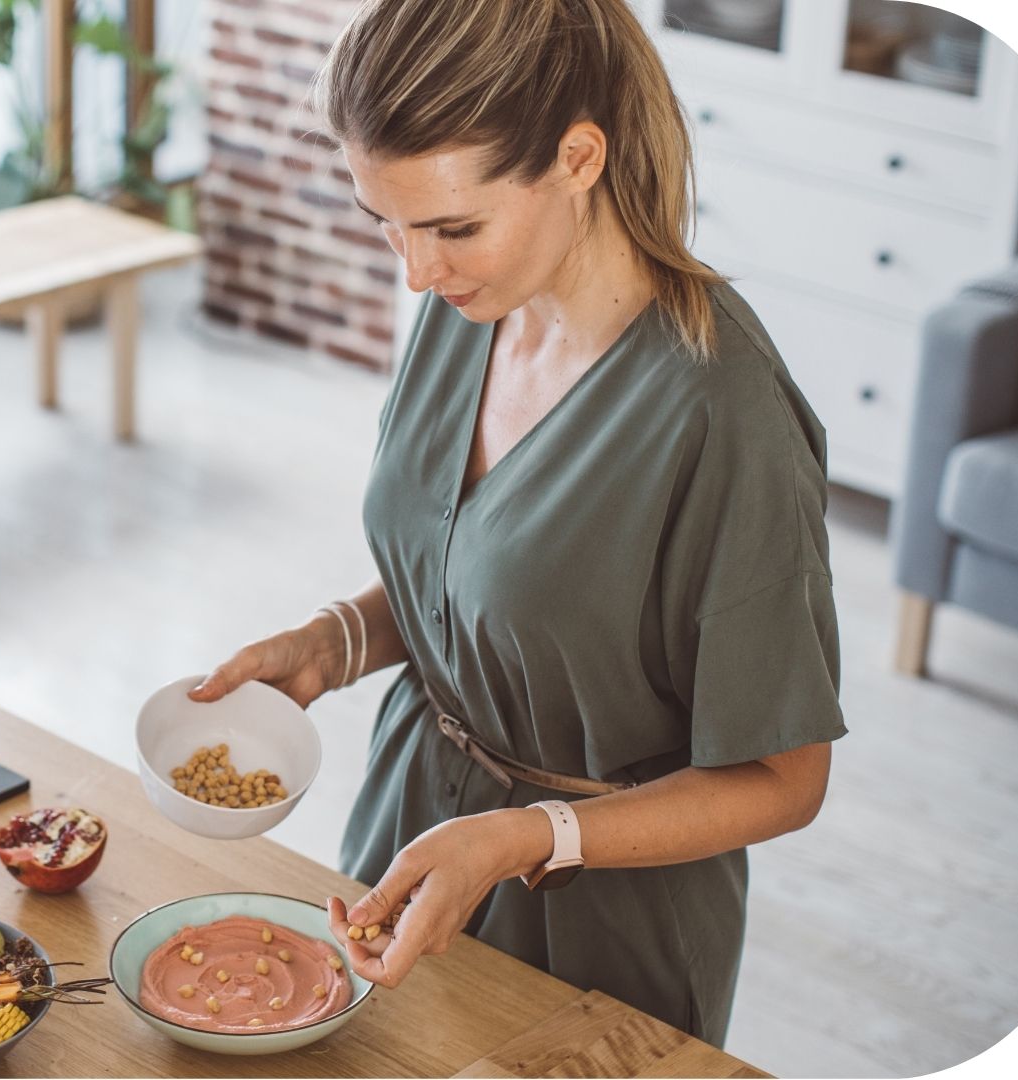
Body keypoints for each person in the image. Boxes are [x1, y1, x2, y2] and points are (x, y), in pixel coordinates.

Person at [188, 0, 845, 1047]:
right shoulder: (471, 306)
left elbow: (785, 777)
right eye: (386, 223)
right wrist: (340, 640)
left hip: (607, 917)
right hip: (413, 827)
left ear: (578, 157)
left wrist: (523, 836)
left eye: (451, 227)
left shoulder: (725, 413)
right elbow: (497, 571)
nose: (417, 271)